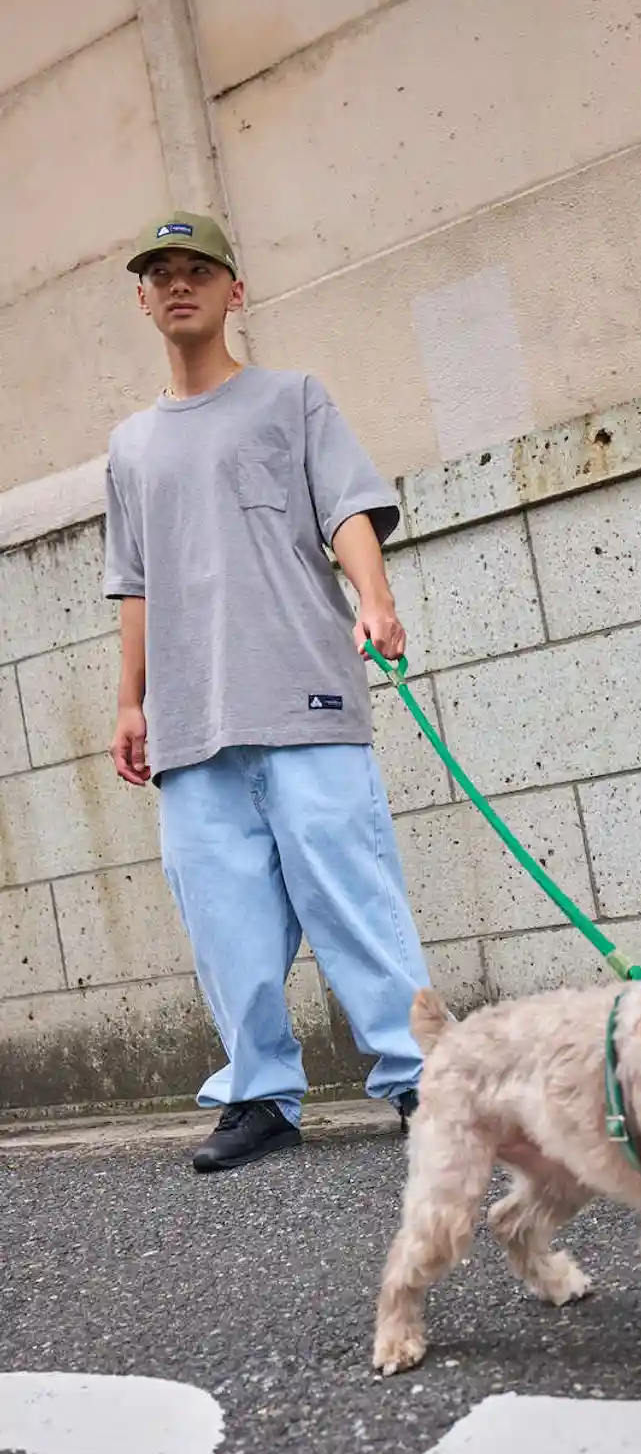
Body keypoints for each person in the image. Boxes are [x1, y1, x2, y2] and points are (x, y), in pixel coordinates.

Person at [103, 211, 429, 1172]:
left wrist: (375, 599)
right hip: (191, 719)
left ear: (234, 290)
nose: (179, 284)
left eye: (198, 268)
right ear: (143, 300)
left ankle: (422, 1077)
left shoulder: (294, 398)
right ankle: (259, 1095)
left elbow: (349, 508)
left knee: (352, 894)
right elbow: (135, 582)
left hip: (302, 692)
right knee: (224, 919)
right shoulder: (129, 446)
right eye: (161, 273)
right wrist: (129, 701)